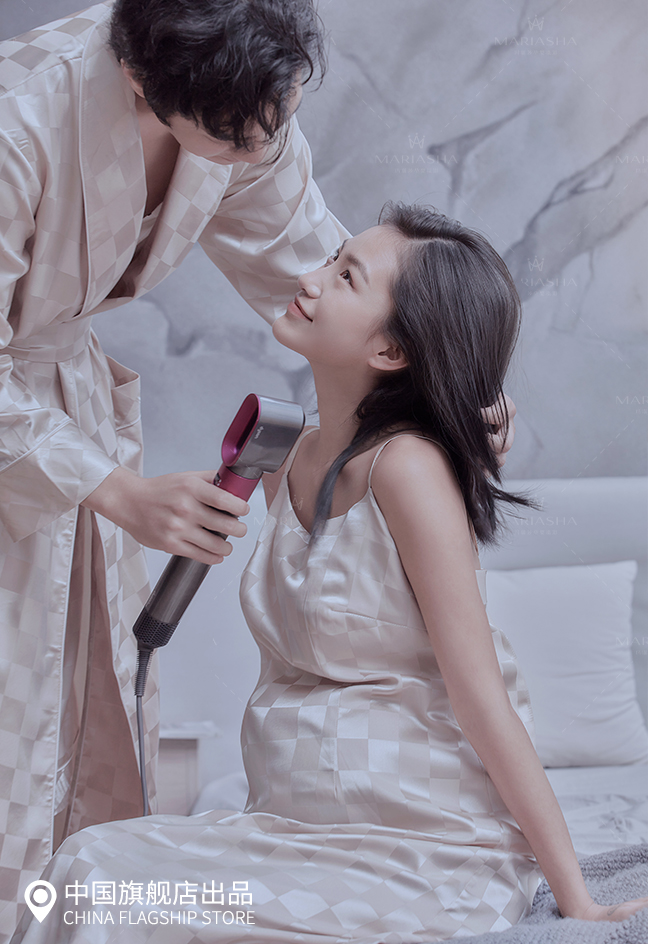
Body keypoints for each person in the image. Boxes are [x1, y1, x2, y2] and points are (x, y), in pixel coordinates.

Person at [0, 1, 515, 937]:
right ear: (143, 85)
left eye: (283, 114)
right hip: (24, 434)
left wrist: (450, 387)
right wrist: (111, 488)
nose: (269, 147)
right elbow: (339, 290)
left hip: (413, 848)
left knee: (80, 775)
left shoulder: (246, 103)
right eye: (240, 138)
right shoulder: (20, 120)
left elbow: (326, 272)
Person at [12, 204, 648, 944]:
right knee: (81, 864)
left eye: (345, 276)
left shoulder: (408, 470)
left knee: (108, 895)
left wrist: (577, 901)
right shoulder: (288, 458)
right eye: (330, 260)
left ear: (391, 348)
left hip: (422, 855)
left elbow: (483, 702)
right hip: (295, 832)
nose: (309, 279)